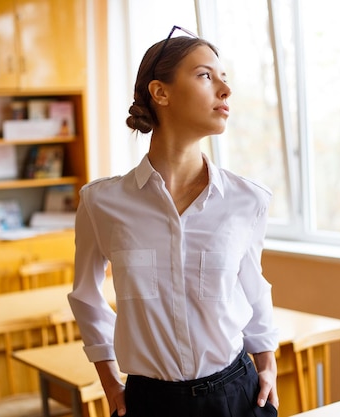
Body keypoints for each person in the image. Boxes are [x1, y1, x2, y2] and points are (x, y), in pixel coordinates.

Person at [68, 25, 279, 417]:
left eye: (224, 78)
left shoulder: (247, 200)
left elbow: (253, 285)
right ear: (160, 92)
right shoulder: (101, 202)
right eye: (205, 75)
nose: (224, 90)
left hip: (237, 393)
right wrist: (110, 380)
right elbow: (86, 295)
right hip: (149, 403)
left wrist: (267, 362)